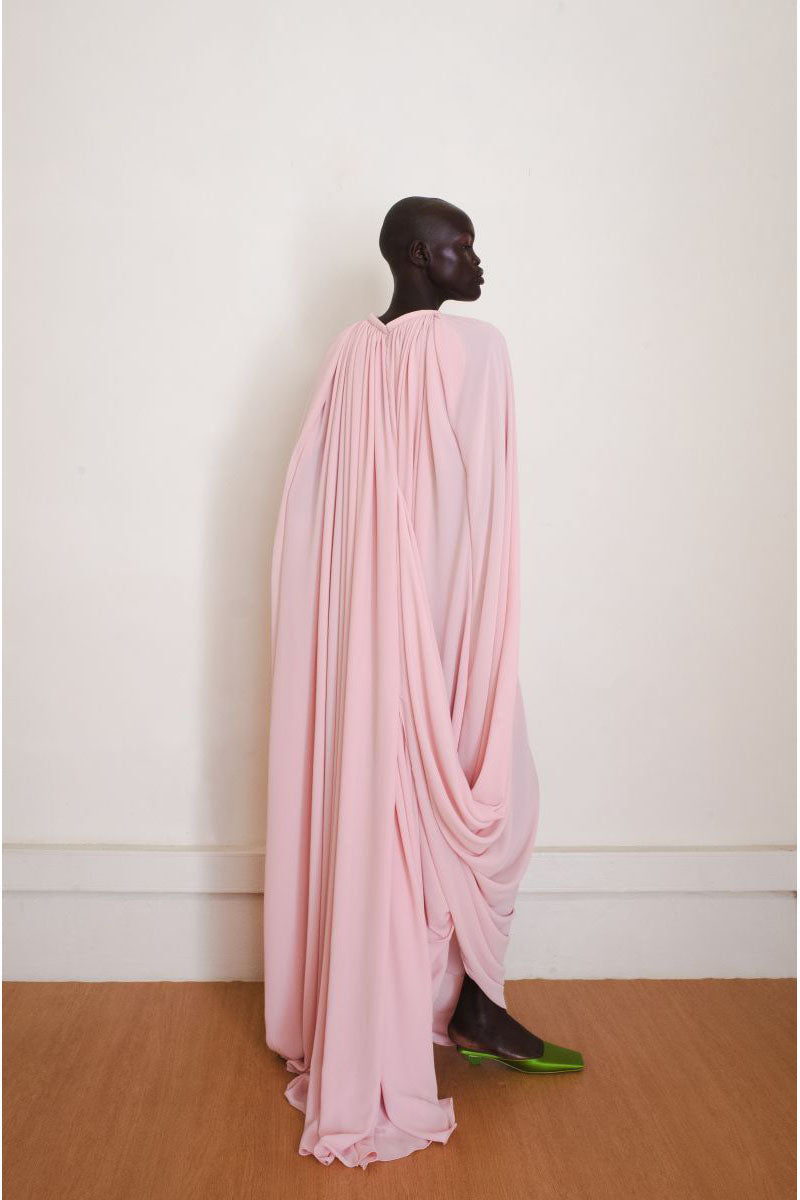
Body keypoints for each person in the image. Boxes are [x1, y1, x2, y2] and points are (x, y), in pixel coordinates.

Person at [263, 195, 584, 1169]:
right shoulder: (468, 350)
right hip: (438, 623)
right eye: (460, 248)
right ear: (416, 254)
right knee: (487, 800)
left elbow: (316, 514)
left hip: (374, 634)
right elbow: (478, 511)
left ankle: (444, 1003)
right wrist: (451, 636)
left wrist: (363, 638)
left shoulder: (349, 354)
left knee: (419, 807)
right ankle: (468, 1007)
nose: (476, 264)